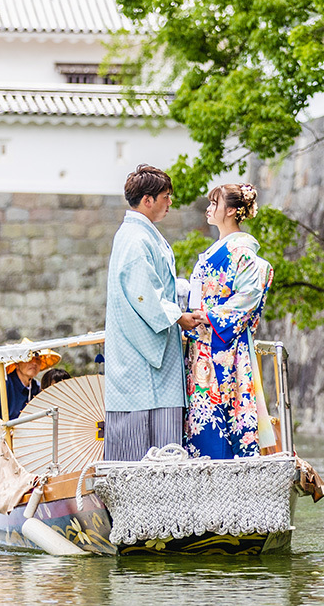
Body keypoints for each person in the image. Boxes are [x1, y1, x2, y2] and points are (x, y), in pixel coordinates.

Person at [103, 164, 204, 461]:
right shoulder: (136, 239)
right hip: (143, 359)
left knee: (145, 440)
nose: (170, 202)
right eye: (166, 196)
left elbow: (154, 286)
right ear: (147, 200)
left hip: (141, 351)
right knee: (147, 448)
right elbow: (145, 294)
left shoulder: (139, 235)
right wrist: (178, 317)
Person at [185, 183, 275, 459]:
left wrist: (210, 316)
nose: (209, 209)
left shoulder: (241, 250)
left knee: (221, 407)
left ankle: (225, 468)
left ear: (233, 211)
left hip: (223, 343)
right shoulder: (221, 248)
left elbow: (249, 294)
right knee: (203, 410)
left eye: (215, 203)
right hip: (204, 340)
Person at [0, 339, 61, 422]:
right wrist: (0, 423)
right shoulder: (2, 383)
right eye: (29, 359)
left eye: (37, 359)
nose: (34, 363)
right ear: (17, 364)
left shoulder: (37, 388)